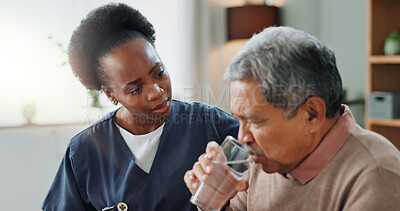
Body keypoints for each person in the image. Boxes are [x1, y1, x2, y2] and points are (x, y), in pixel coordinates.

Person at [41, 3, 239, 211]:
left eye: (159, 73)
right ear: (111, 94)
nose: (156, 92)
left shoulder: (210, 124)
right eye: (135, 89)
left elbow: (263, 168)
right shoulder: (84, 152)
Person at [184, 26, 400, 210]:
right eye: (239, 119)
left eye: (256, 121)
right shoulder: (261, 160)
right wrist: (217, 202)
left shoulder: (377, 177)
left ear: (311, 114)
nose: (243, 137)